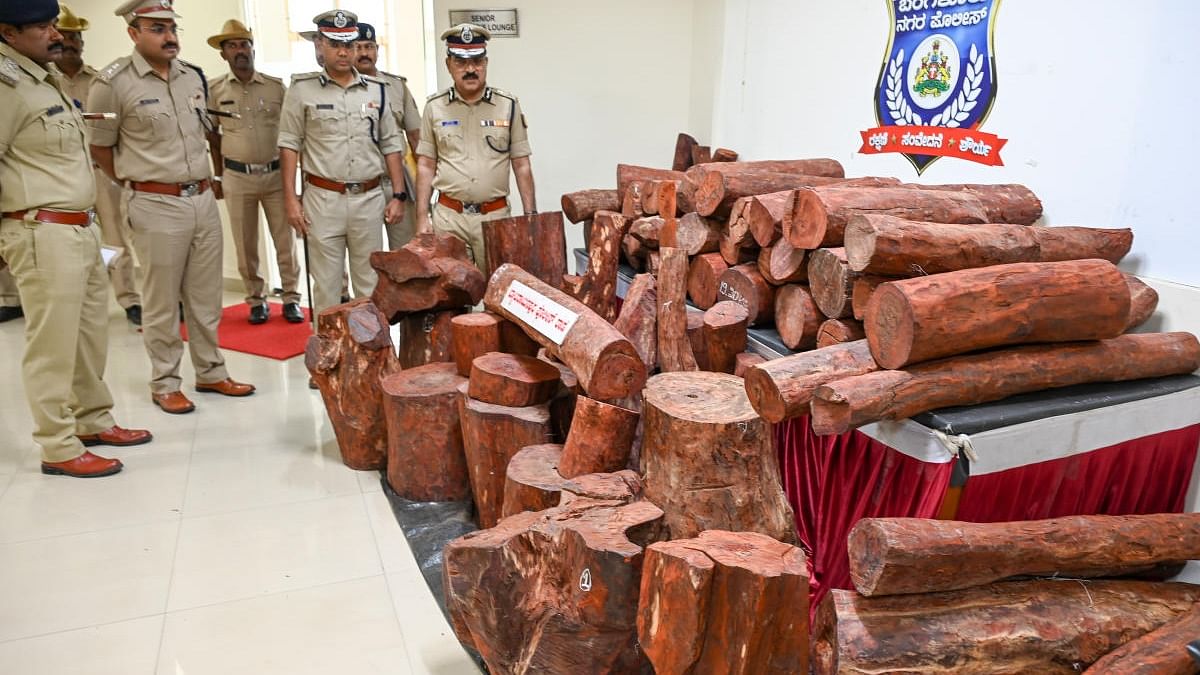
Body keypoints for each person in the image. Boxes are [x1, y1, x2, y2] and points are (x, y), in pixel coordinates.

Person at [0, 0, 151, 478]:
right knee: (53, 345)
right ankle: (57, 445)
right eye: (41, 27)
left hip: (79, 227)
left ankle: (92, 420)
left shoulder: (44, 80)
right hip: (40, 230)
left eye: (52, 24)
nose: (54, 33)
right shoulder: (5, 88)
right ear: (8, 32)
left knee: (90, 337)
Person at [87, 0, 255, 415]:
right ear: (134, 33)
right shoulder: (113, 82)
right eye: (157, 28)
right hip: (154, 202)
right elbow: (99, 147)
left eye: (171, 27)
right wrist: (138, 183)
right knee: (161, 301)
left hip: (200, 199)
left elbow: (205, 135)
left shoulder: (192, 76)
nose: (169, 36)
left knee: (205, 295)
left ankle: (212, 371)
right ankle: (164, 381)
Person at [277, 9, 406, 317]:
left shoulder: (378, 91)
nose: (343, 51)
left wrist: (399, 195)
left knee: (370, 286)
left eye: (348, 44)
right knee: (326, 288)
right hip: (323, 200)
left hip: (369, 199)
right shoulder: (301, 89)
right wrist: (290, 200)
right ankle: (328, 362)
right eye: (335, 44)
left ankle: (370, 361)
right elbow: (289, 144)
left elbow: (391, 144)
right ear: (319, 45)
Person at [415, 23, 536, 268]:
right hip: (448, 219)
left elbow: (521, 165)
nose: (470, 69)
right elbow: (426, 165)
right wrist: (421, 217)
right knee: (450, 293)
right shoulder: (434, 107)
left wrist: (530, 217)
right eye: (461, 62)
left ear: (486, 63)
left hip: (494, 217)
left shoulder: (508, 105)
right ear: (448, 64)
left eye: (477, 61)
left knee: (495, 288)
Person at [206, 18, 303, 325]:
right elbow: (212, 137)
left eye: (244, 44)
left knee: (284, 241)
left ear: (252, 48)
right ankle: (256, 299)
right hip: (237, 177)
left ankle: (290, 298)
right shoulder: (214, 91)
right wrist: (218, 176)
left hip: (275, 176)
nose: (240, 51)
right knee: (245, 243)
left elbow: (293, 135)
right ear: (223, 54)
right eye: (232, 46)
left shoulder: (276, 87)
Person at [53, 2, 143, 325]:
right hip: (62, 178)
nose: (69, 42)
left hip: (102, 173)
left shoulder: (101, 81)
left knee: (116, 238)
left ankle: (129, 300)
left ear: (82, 42)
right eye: (63, 35)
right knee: (69, 244)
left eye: (75, 36)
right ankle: (75, 304)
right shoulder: (46, 83)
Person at [352, 21, 419, 250]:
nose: (364, 53)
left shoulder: (397, 86)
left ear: (377, 51)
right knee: (367, 256)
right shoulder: (341, 90)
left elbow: (415, 136)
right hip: (362, 186)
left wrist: (423, 185)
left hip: (397, 183)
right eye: (358, 47)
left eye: (369, 47)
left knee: (406, 252)